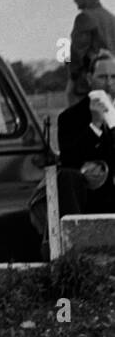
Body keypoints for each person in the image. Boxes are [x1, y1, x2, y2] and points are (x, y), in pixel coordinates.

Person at [57, 50, 115, 214]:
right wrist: (95, 125)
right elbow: (68, 160)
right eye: (102, 77)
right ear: (90, 79)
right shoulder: (70, 118)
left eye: (114, 77)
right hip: (92, 202)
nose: (109, 83)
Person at [67, 0, 115, 103]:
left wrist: (73, 80)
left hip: (87, 86)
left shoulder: (84, 18)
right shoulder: (111, 18)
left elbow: (77, 54)